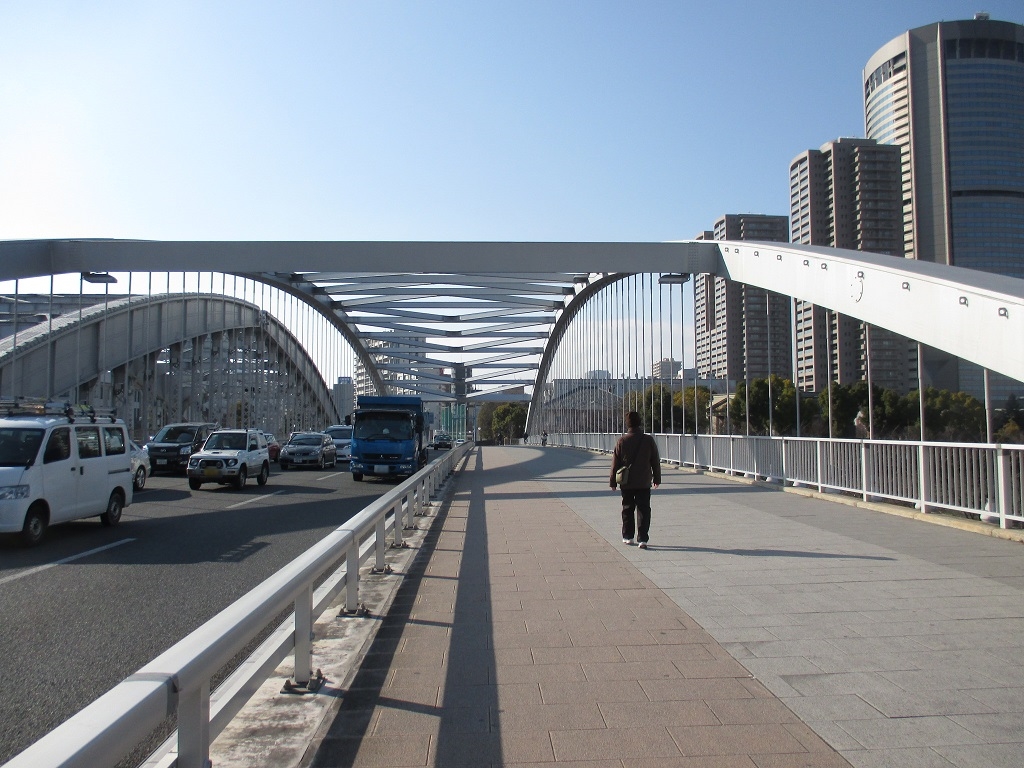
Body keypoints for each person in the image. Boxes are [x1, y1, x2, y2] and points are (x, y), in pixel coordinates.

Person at [609, 411, 660, 549]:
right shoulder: (648, 440)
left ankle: (628, 536)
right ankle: (643, 539)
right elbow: (655, 461)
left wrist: (613, 482)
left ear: (628, 424)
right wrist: (657, 478)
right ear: (639, 423)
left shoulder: (622, 441)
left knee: (627, 508)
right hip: (644, 481)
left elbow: (615, 463)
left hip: (627, 482)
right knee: (644, 509)